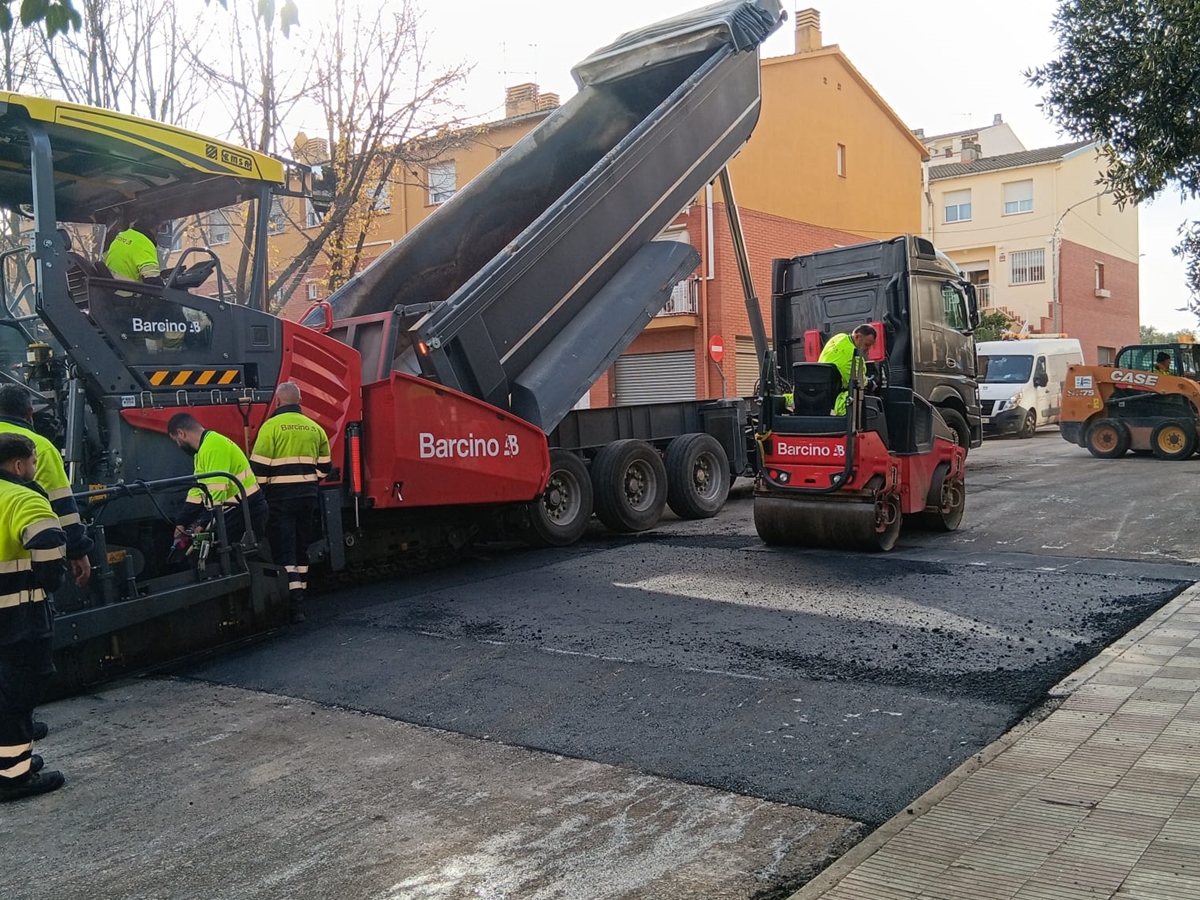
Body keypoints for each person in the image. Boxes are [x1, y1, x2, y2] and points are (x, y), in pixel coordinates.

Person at [0, 433, 69, 802]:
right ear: (18, 465)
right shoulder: (25, 497)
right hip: (17, 615)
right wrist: (52, 580)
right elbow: (47, 546)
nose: (35, 468)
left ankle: (16, 760)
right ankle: (14, 777)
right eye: (33, 462)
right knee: (19, 692)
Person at [251, 383, 331, 624]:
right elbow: (325, 468)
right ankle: (301, 596)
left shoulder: (270, 428)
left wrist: (264, 493)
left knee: (284, 551)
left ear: (277, 402)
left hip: (280, 499)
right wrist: (307, 481)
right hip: (307, 497)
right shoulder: (315, 428)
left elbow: (258, 472)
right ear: (300, 399)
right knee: (300, 547)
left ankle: (295, 606)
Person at [0, 386, 93, 590]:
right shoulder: (38, 446)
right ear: (30, 413)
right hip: (22, 571)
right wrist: (77, 551)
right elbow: (62, 507)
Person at [166, 413, 268, 548]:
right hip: (239, 508)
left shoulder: (213, 448)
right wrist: (182, 522)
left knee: (230, 557)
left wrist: (203, 523)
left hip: (247, 509)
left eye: (176, 441)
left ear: (181, 433)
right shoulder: (203, 450)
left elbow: (217, 493)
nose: (178, 445)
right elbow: (197, 491)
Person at [818, 324, 878, 415]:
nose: (868, 349)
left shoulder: (839, 337)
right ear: (857, 336)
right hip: (835, 397)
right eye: (867, 345)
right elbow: (859, 381)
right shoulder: (852, 355)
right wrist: (871, 384)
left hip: (820, 387)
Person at [104, 214, 165, 285]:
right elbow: (152, 279)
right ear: (158, 227)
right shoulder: (144, 244)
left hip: (112, 285)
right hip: (128, 291)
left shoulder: (123, 235)